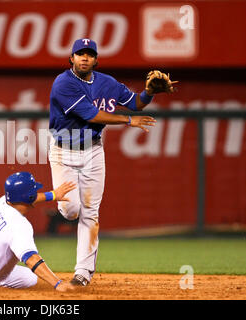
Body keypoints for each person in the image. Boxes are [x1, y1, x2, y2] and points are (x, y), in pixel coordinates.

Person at [48, 38, 177, 286]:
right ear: (71, 58)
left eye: (89, 54)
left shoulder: (107, 82)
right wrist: (129, 121)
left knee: (90, 214)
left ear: (96, 59)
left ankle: (83, 273)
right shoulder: (63, 83)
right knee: (71, 210)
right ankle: (63, 210)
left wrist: (149, 92)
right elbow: (92, 115)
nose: (84, 58)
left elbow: (135, 103)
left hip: (93, 152)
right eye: (79, 54)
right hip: (64, 152)